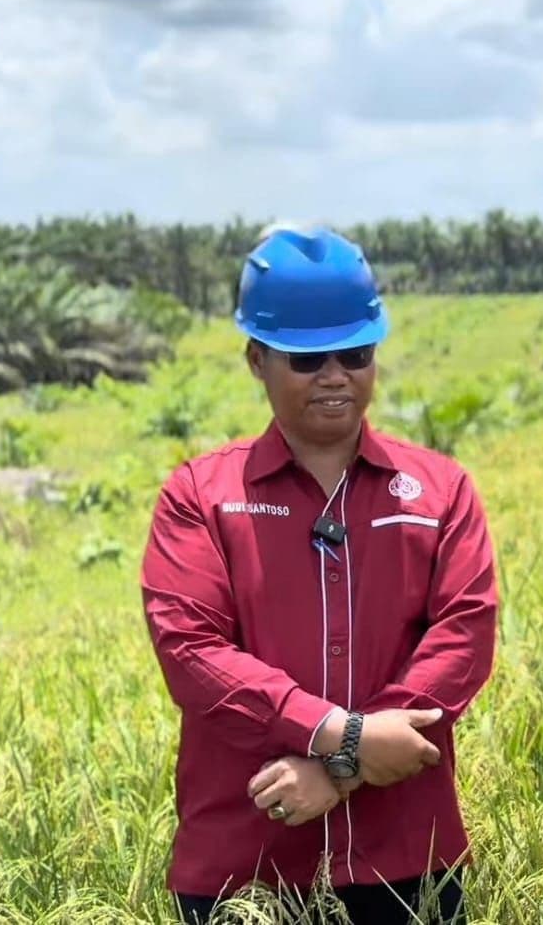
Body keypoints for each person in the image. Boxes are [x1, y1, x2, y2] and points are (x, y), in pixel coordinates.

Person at [140, 226, 499, 924]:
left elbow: (464, 639)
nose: (336, 375)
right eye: (307, 358)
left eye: (356, 354)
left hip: (407, 858)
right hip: (246, 862)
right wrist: (345, 734)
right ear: (257, 358)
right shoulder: (200, 498)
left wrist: (341, 767)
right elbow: (192, 653)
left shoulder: (441, 492)